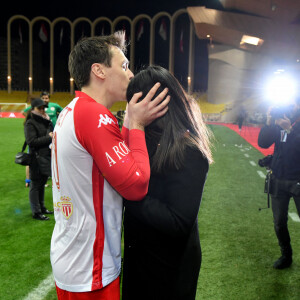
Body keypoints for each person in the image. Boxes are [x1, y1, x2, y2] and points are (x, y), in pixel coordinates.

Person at [50, 32, 170, 300]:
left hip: (76, 257)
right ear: (99, 70)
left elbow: (119, 162)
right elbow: (136, 184)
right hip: (88, 268)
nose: (130, 75)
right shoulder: (93, 115)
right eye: (124, 66)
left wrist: (129, 120)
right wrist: (137, 124)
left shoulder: (77, 110)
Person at [122, 65, 213, 300]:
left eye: (136, 102)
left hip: (169, 267)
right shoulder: (147, 138)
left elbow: (179, 222)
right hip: (141, 256)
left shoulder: (189, 150)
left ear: (157, 102)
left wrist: (128, 195)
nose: (132, 109)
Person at [258, 97, 300, 269]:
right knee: (279, 222)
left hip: (298, 180)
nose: (289, 106)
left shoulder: (292, 124)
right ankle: (286, 255)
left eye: (293, 104)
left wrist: (289, 130)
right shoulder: (280, 121)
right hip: (279, 179)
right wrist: (269, 122)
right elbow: (263, 143)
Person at [23, 92, 63, 187]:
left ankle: (48, 177)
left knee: (50, 156)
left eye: (46, 98)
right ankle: (28, 180)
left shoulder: (54, 106)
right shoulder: (32, 118)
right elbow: (25, 111)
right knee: (32, 158)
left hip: (52, 135)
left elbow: (63, 111)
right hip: (41, 135)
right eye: (43, 98)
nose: (45, 100)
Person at [24, 98, 54, 220]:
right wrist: (49, 137)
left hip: (45, 156)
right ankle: (36, 212)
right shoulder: (30, 122)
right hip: (36, 158)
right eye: (39, 108)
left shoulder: (46, 120)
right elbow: (31, 141)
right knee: (35, 185)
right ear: (33, 109)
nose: (42, 110)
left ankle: (42, 207)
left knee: (41, 183)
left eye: (43, 108)